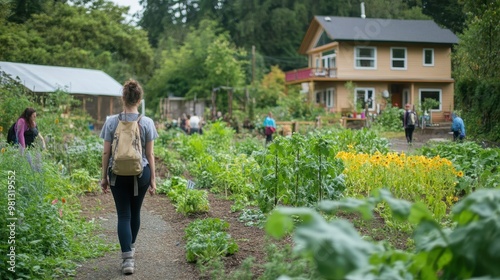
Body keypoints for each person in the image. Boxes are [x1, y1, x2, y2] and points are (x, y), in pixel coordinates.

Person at [100, 79, 158, 275]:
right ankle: (130, 248)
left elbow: (106, 153)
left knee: (123, 215)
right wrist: (153, 180)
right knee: (135, 213)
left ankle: (127, 260)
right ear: (139, 99)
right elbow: (150, 155)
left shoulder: (111, 122)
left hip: (116, 174)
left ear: (122, 98)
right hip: (141, 173)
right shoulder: (147, 122)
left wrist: (103, 178)